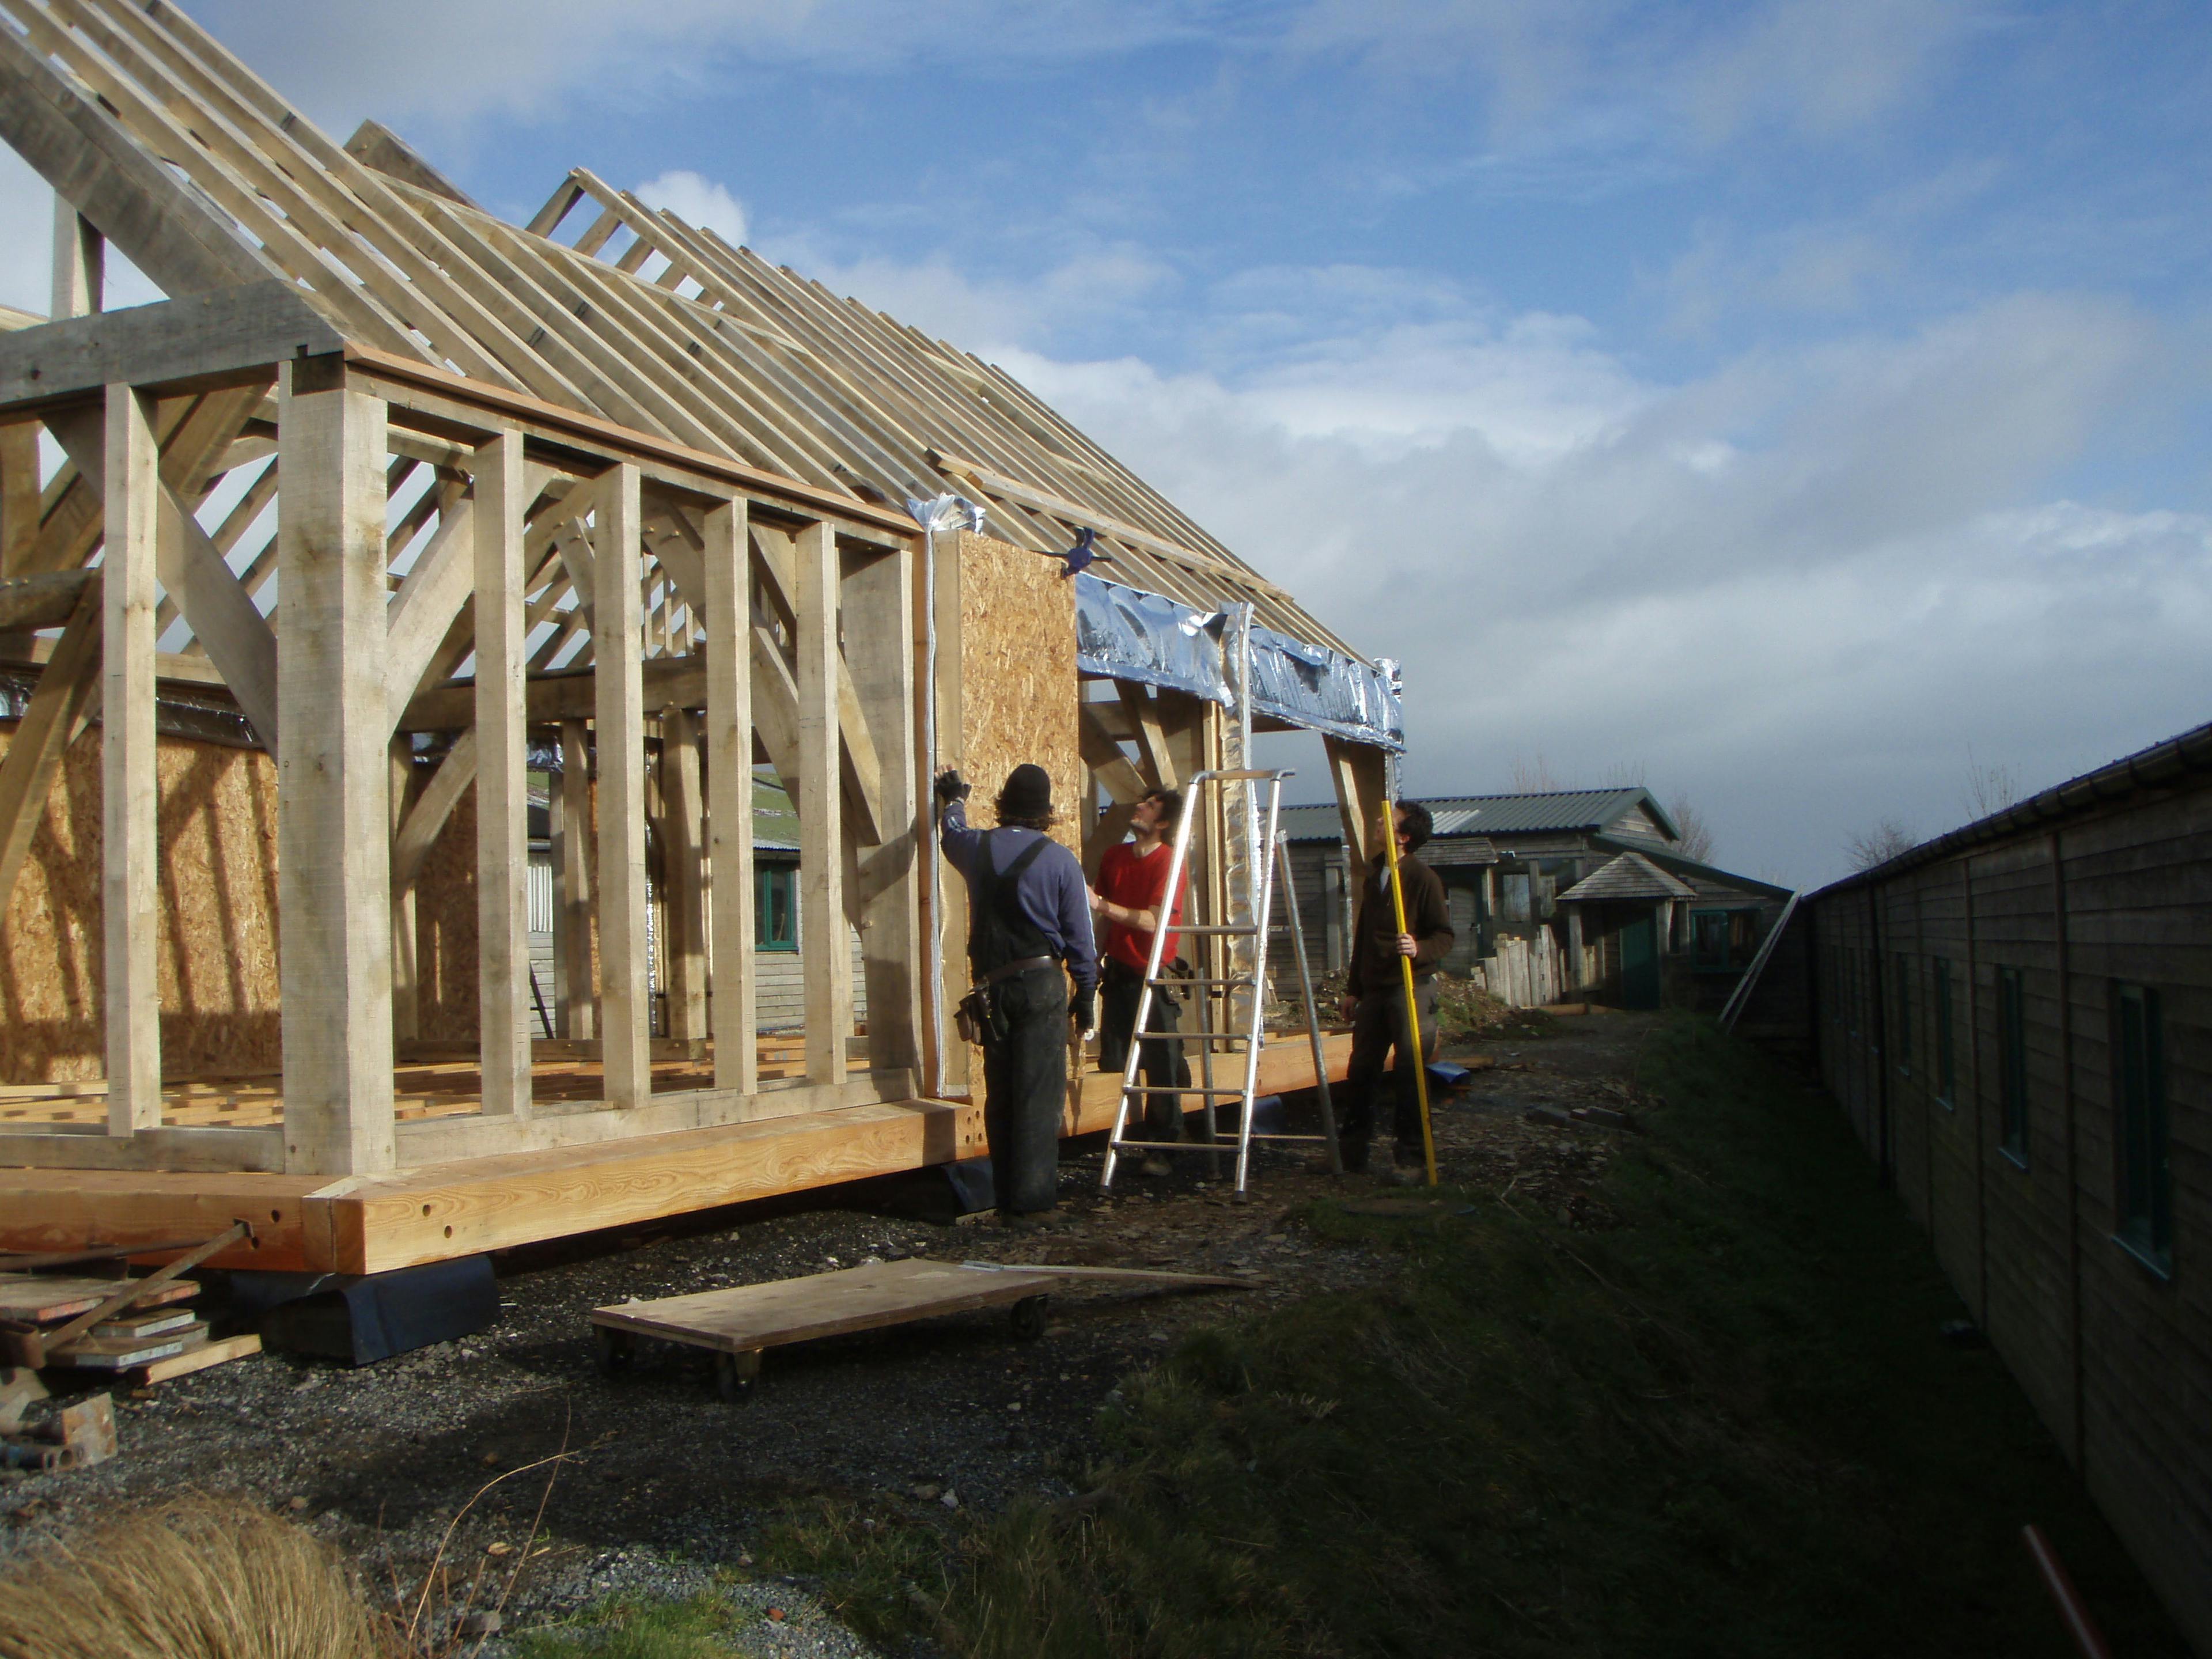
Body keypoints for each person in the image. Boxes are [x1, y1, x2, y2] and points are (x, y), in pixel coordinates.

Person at [935, 763, 1099, 1221]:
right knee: (1038, 1098)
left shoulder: (975, 848)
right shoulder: (1061, 861)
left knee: (1002, 1096)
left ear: (1003, 805)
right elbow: (1081, 939)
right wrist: (1086, 994)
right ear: (1046, 813)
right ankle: (1033, 1206)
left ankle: (1005, 1199)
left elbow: (951, 832)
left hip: (993, 992)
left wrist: (954, 798)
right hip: (1042, 987)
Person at [1339, 800, 1453, 1181]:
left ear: (1403, 837)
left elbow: (1444, 935)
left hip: (1410, 988)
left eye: (1387, 820)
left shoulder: (1423, 879)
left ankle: (1412, 1160)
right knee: (1360, 1072)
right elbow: (1363, 937)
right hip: (1374, 990)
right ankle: (1352, 1155)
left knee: (1409, 1074)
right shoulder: (1376, 875)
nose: (1377, 821)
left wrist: (1419, 948)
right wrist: (1354, 989)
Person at [1089, 788, 1188, 1177]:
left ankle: (1163, 1146)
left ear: (1162, 823)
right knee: (1117, 1059)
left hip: (1152, 972)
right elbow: (1102, 919)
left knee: (1161, 1063)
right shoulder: (1114, 856)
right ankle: (1167, 1126)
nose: (1138, 807)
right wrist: (1092, 961)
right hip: (1119, 971)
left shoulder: (1168, 861)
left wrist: (1102, 905)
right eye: (1141, 800)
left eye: (1148, 806)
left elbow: (1152, 920)